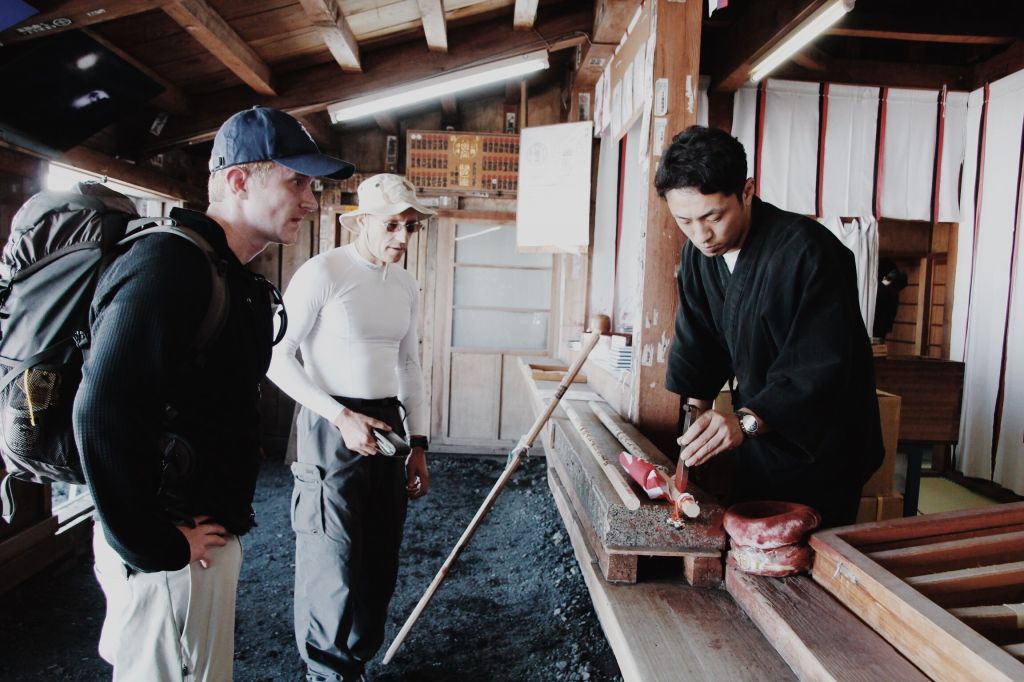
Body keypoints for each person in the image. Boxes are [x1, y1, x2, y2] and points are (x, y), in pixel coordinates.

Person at [73, 105, 354, 681]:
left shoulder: (223, 271)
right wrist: (154, 544)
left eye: (312, 184)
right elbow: (100, 410)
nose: (311, 198)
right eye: (297, 181)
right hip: (171, 547)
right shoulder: (170, 264)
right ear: (237, 180)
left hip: (198, 537)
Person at [654, 125, 883, 528]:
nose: (701, 234)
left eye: (713, 216)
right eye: (684, 221)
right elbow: (698, 351)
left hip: (821, 444)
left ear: (746, 190)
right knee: (753, 547)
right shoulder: (697, 258)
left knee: (806, 556)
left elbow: (818, 368)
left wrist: (741, 423)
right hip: (756, 437)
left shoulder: (811, 254)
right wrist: (690, 446)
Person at [267, 173, 433, 682]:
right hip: (329, 425)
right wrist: (339, 417)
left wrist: (420, 446)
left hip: (387, 425)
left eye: (410, 226)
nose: (403, 238)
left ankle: (355, 662)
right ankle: (326, 672)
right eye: (392, 225)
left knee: (379, 558)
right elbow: (276, 358)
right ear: (361, 223)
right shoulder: (325, 272)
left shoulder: (404, 283)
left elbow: (409, 366)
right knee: (332, 558)